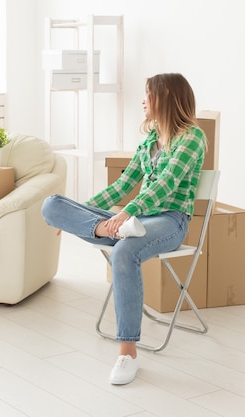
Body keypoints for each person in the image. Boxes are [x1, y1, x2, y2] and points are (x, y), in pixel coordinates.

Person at [41, 73, 206, 385]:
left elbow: (166, 185)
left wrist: (130, 211)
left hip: (170, 220)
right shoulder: (148, 141)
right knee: (51, 205)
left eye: (147, 94)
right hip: (134, 222)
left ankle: (127, 353)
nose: (142, 100)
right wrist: (81, 212)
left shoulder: (192, 138)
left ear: (165, 96)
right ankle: (105, 229)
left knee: (125, 250)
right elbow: (122, 187)